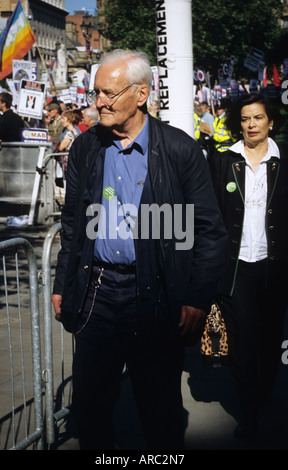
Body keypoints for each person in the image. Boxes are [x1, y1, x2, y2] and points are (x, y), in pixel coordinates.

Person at [51, 49, 227, 450]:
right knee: (91, 407)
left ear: (141, 93)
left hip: (156, 297)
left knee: (159, 410)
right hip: (97, 294)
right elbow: (74, 226)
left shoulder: (179, 150)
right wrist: (63, 283)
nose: (99, 103)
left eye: (109, 94)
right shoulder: (86, 149)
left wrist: (196, 298)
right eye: (96, 93)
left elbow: (209, 232)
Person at [210, 93, 288, 440]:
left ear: (271, 121)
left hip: (276, 267)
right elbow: (209, 215)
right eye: (245, 119)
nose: (252, 125)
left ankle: (265, 391)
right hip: (237, 266)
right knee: (243, 342)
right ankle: (249, 412)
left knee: (271, 340)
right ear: (237, 123)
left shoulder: (283, 160)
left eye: (258, 118)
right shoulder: (224, 161)